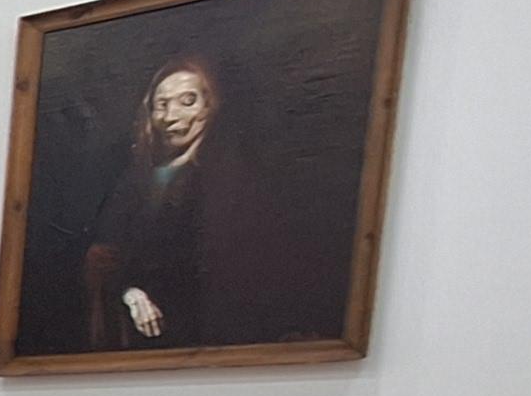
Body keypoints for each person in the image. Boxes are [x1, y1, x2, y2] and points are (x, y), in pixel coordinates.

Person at [71, 49, 344, 353]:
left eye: (187, 101)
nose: (171, 117)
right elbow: (107, 256)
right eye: (162, 105)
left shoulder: (239, 181)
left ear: (211, 105)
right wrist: (130, 293)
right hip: (143, 342)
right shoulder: (133, 184)